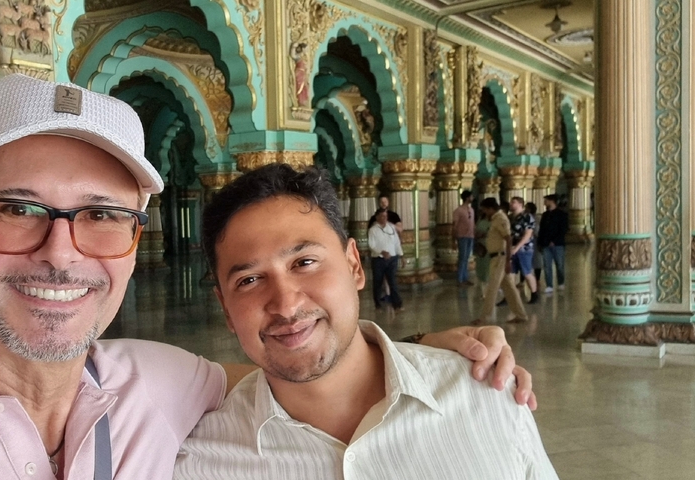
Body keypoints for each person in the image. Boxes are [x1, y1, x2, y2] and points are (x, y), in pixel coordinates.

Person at [0, 75, 532, 479]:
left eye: (102, 214)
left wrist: (427, 355)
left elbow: (299, 363)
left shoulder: (162, 384)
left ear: (135, 243)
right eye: (16, 208)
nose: (61, 251)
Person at [174, 165, 557, 479]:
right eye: (249, 280)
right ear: (225, 309)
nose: (286, 305)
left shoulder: (486, 398)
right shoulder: (200, 462)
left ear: (355, 265)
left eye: (304, 262)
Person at [477, 197, 529, 324]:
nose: (484, 212)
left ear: (490, 208)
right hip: (495, 256)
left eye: (485, 210)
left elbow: (508, 238)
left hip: (500, 257)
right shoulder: (494, 219)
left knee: (492, 287)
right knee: (509, 288)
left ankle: (484, 317)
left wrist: (508, 261)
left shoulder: (500, 218)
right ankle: (521, 315)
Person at [368, 208, 404, 311]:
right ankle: (378, 304)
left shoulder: (391, 228)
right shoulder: (373, 230)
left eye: (386, 216)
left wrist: (401, 255)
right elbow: (371, 245)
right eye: (382, 216)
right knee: (378, 282)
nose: (384, 218)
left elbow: (397, 243)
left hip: (392, 258)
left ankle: (397, 304)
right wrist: (381, 251)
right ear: (377, 217)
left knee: (392, 281)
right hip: (378, 260)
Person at [509, 197, 540, 305]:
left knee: (526, 272)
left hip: (524, 249)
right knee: (510, 273)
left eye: (513, 202)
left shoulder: (527, 217)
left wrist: (517, 248)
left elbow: (527, 235)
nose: (511, 204)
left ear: (520, 204)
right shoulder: (510, 217)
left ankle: (534, 293)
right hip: (511, 249)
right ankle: (509, 296)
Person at [537, 194, 569, 292]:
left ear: (552, 201)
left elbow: (563, 229)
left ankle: (560, 282)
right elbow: (541, 229)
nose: (544, 202)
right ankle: (549, 285)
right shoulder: (545, 215)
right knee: (547, 266)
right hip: (545, 244)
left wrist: (554, 241)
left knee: (559, 265)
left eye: (546, 200)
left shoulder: (562, 214)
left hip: (558, 244)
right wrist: (540, 242)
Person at [453, 190, 476, 286]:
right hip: (462, 236)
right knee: (462, 258)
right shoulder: (458, 210)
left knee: (466, 258)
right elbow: (454, 225)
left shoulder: (471, 210)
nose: (472, 198)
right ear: (467, 198)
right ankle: (460, 279)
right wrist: (453, 239)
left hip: (470, 236)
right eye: (471, 196)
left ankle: (465, 278)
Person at [474, 205, 492, 293]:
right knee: (481, 264)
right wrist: (478, 235)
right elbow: (475, 231)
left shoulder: (493, 221)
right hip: (480, 245)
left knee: (488, 265)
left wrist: (485, 234)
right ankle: (482, 283)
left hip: (489, 245)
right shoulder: (480, 221)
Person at [525, 202, 543, 288]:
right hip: (526, 241)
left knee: (537, 261)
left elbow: (537, 230)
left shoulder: (537, 218)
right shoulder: (524, 217)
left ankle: (537, 279)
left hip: (535, 241)